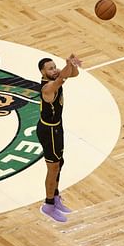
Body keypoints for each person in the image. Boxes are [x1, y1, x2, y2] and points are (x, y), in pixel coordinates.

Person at [36, 54, 81, 222]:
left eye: (55, 67)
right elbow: (62, 79)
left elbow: (73, 74)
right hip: (48, 131)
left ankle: (55, 197)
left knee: (59, 163)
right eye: (50, 68)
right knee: (53, 168)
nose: (54, 70)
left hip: (56, 128)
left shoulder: (55, 77)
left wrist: (72, 66)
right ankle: (48, 205)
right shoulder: (47, 87)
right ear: (42, 72)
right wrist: (66, 67)